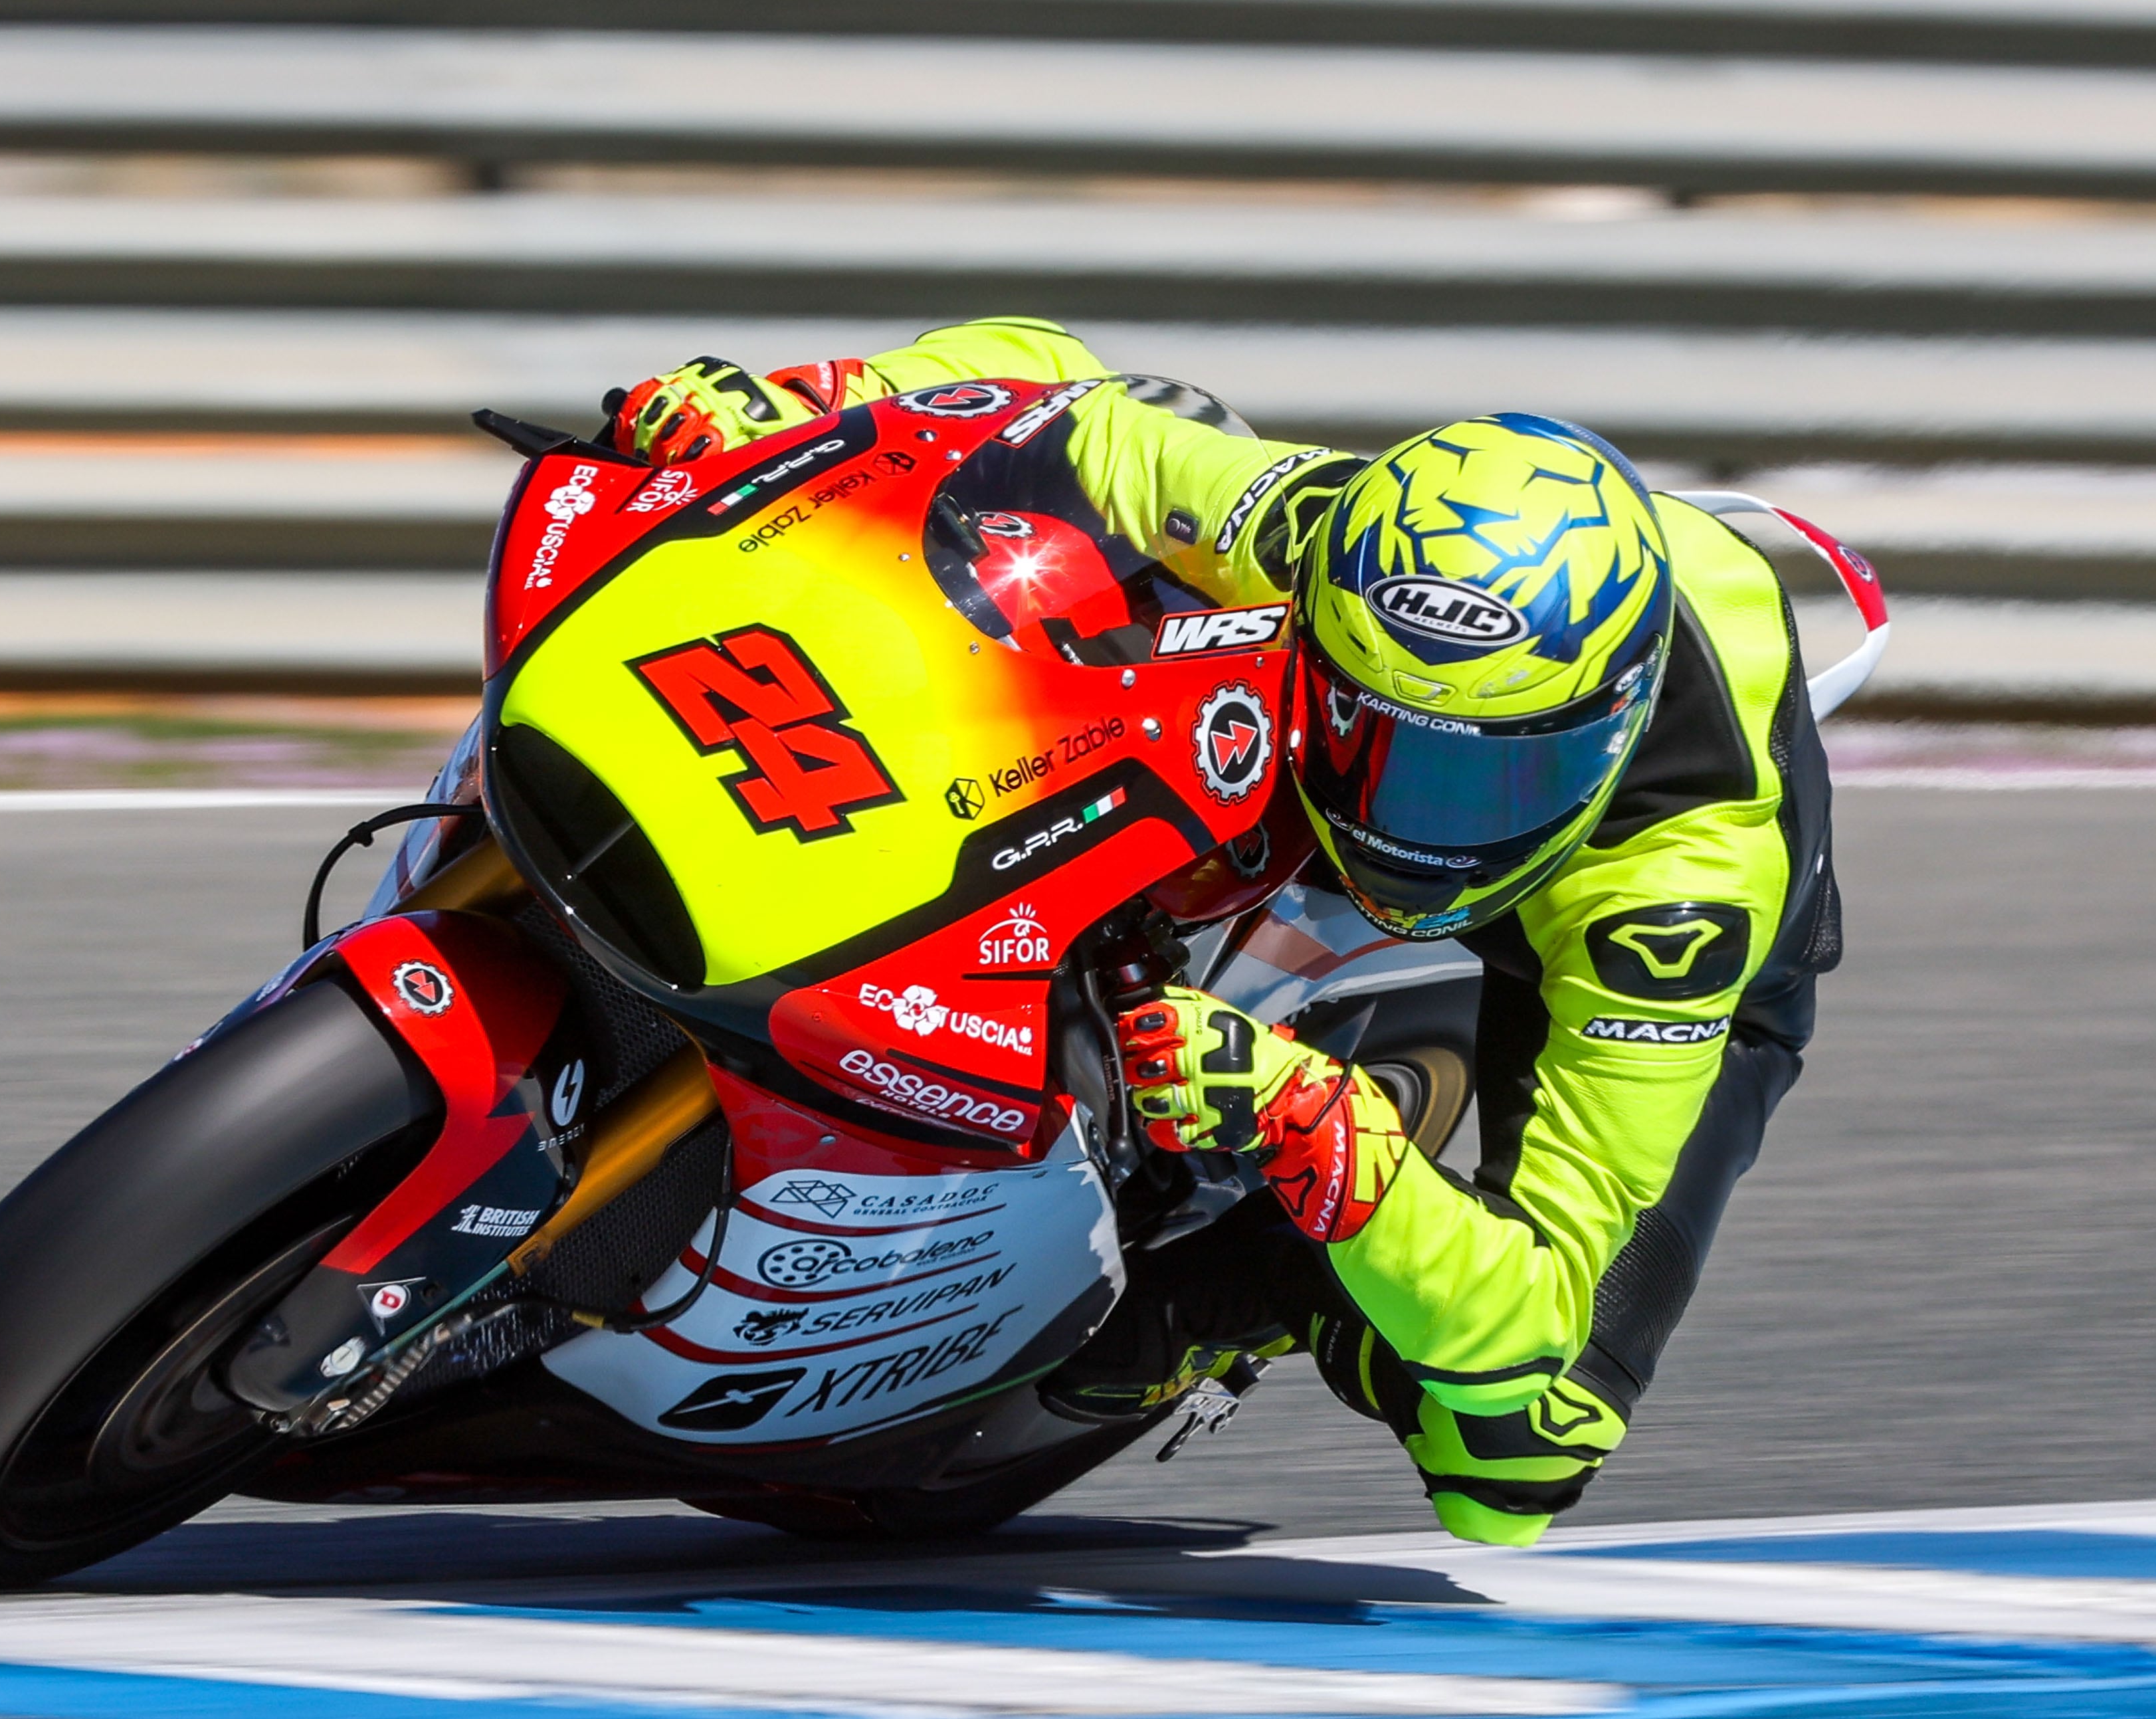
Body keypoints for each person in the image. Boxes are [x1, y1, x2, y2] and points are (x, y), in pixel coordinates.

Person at [599, 321, 1841, 1545]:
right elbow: (1076, 407)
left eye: (1479, 786)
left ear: (1607, 729)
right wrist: (824, 401)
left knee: (1517, 1451)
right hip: (1324, 698)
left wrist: (1331, 1131)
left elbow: (1534, 1314)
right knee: (1148, 450)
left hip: (1603, 915)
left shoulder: (1679, 903)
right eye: (1389, 747)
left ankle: (1243, 1294)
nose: (1417, 820)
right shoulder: (1323, 533)